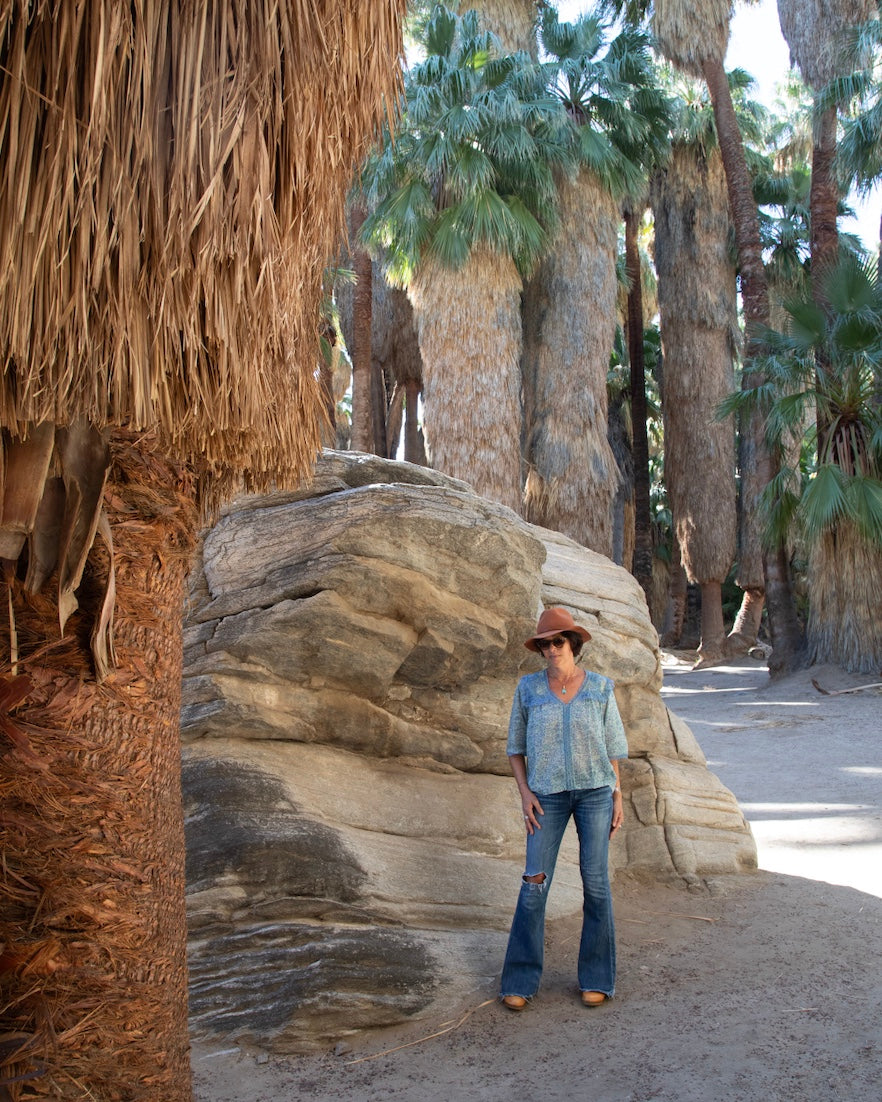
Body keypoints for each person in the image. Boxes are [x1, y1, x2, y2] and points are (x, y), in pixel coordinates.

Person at [499, 606, 627, 1010]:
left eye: (558, 641)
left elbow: (613, 749)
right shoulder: (528, 689)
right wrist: (524, 792)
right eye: (544, 644)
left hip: (595, 794)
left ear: (573, 643)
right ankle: (519, 980)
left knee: (597, 885)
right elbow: (515, 748)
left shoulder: (602, 688)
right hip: (546, 797)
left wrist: (618, 793)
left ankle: (597, 978)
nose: (551, 649)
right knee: (534, 885)